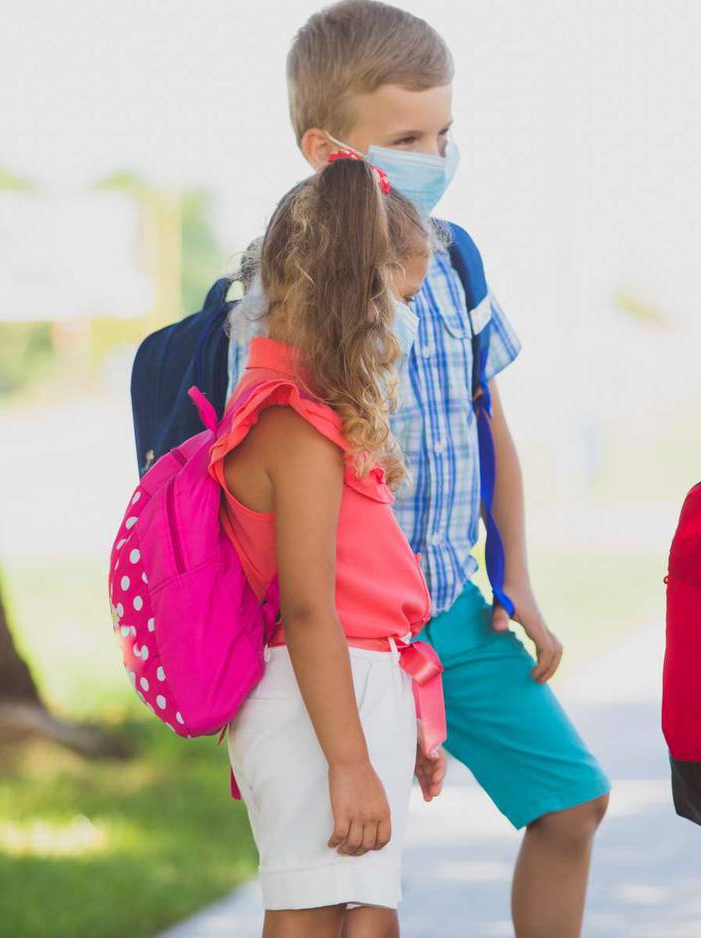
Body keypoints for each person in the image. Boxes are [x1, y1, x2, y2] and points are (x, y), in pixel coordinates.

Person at [227, 4, 611, 935]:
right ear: (326, 148)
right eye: (407, 138)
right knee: (341, 889)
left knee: (573, 801)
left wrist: (517, 578)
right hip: (341, 632)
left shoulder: (452, 260)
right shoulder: (281, 284)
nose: (434, 156)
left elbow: (491, 425)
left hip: (452, 604)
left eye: (443, 132)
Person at [210, 154, 445, 938]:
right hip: (321, 693)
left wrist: (402, 725)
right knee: (320, 919)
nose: (407, 322)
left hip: (350, 688)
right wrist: (350, 761)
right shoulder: (294, 424)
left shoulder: (303, 407)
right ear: (359, 293)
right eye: (405, 298)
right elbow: (310, 610)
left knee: (366, 918)